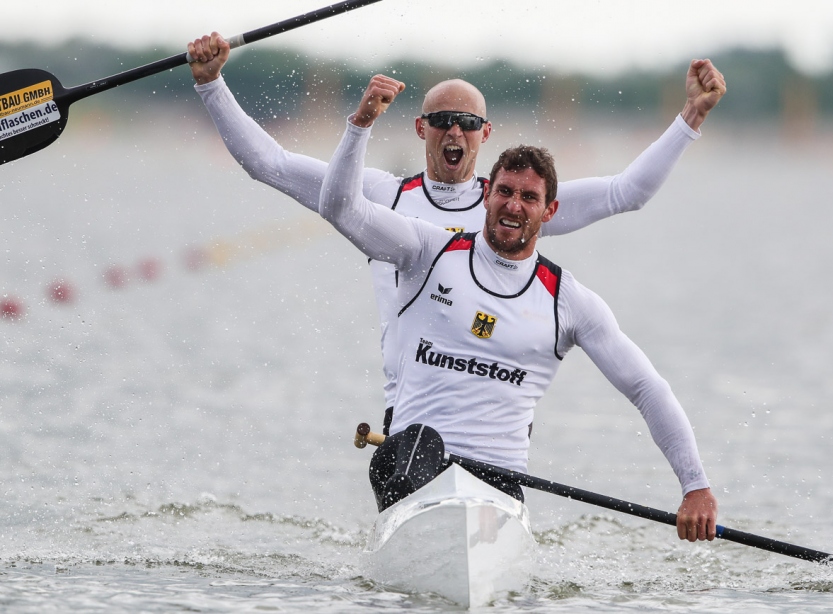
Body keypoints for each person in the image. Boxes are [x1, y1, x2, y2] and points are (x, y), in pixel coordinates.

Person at [186, 33, 726, 438]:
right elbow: (269, 163)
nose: (455, 130)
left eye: (468, 123)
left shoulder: (511, 206)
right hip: (412, 416)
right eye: (441, 119)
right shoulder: (379, 195)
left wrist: (689, 119)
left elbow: (624, 192)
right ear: (421, 129)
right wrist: (211, 83)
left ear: (485, 134)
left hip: (490, 425)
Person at [317, 75, 718, 542]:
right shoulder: (427, 250)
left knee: (477, 498)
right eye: (504, 192)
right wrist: (360, 125)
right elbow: (340, 207)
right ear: (486, 195)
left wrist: (696, 488)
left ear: (549, 213)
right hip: (411, 464)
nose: (513, 205)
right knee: (414, 453)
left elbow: (646, 388)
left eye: (529, 197)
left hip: (498, 489)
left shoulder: (568, 302)